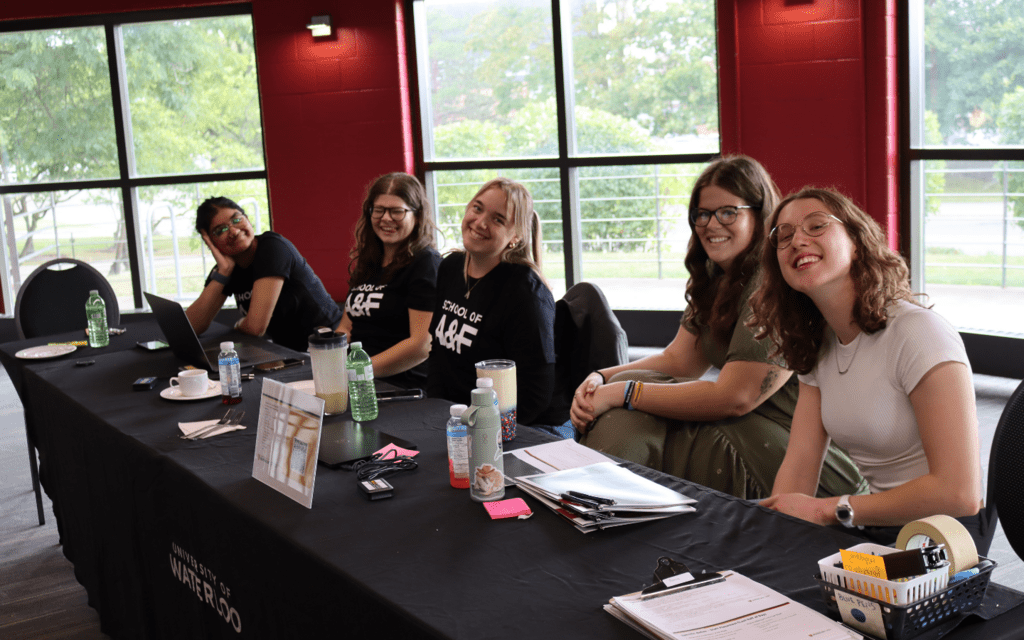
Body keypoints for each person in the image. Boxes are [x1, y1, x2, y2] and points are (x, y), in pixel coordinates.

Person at [571, 156, 865, 500]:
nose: (712, 224)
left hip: (802, 460)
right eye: (702, 214)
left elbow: (735, 397)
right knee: (628, 393)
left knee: (633, 405)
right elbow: (680, 360)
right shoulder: (715, 275)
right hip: (749, 430)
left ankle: (597, 506)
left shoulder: (771, 282)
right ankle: (600, 503)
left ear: (760, 214)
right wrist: (603, 377)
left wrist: (624, 393)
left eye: (728, 212)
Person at [750, 187, 985, 547]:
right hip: (876, 528)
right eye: (783, 235)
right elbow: (798, 472)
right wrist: (776, 528)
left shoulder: (917, 332)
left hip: (943, 540)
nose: (797, 240)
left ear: (856, 242)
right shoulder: (821, 345)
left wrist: (828, 510)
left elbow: (960, 493)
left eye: (816, 226)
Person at [426, 177, 560, 426]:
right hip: (454, 417)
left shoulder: (527, 293)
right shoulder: (450, 266)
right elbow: (438, 354)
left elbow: (536, 395)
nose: (480, 222)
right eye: (477, 208)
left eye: (498, 219)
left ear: (516, 237)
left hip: (505, 427)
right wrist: (437, 413)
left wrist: (484, 430)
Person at [186, 197, 343, 353]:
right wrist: (224, 272)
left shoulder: (272, 248)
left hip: (328, 346)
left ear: (247, 219)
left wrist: (238, 325)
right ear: (210, 242)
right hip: (288, 350)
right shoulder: (227, 267)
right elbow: (190, 327)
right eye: (221, 230)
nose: (233, 231)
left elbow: (255, 327)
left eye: (236, 220)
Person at [338, 173, 441, 388]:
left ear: (417, 216)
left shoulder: (425, 262)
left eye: (397, 211)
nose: (386, 218)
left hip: (401, 387)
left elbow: (422, 344)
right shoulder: (369, 261)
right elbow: (346, 327)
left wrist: (357, 371)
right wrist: (327, 356)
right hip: (359, 381)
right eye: (379, 210)